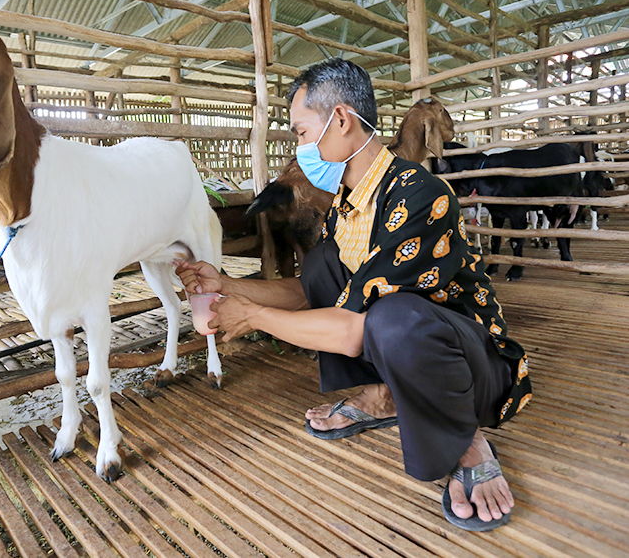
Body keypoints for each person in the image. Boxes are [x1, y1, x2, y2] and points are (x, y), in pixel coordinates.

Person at [176, 58, 531, 532]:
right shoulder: (347, 203)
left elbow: (351, 330)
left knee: (395, 317)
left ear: (341, 120)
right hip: (411, 355)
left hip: (472, 370)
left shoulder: (421, 194)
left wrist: (253, 315)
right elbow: (310, 291)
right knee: (325, 264)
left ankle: (465, 439)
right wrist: (228, 286)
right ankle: (383, 395)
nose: (300, 148)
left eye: (302, 133)